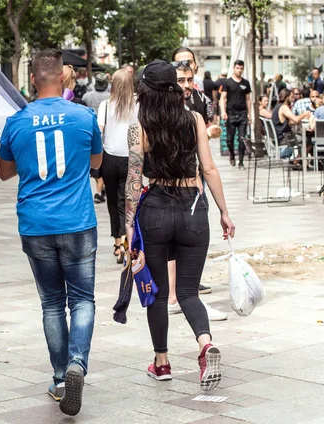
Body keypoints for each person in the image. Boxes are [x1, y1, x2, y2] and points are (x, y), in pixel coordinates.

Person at [0, 49, 102, 416]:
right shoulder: (84, 116)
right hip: (77, 221)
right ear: (63, 79)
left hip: (36, 223)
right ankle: (78, 364)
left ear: (32, 81)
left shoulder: (16, 122)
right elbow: (96, 162)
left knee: (52, 303)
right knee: (83, 300)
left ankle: (60, 378)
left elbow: (4, 172)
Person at [124, 60, 235, 391]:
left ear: (144, 90)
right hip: (192, 209)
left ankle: (162, 363)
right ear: (175, 87)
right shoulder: (195, 119)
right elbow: (210, 169)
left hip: (155, 209)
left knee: (157, 294)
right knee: (187, 291)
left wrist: (128, 225)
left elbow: (132, 179)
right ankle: (204, 344)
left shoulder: (138, 126)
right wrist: (224, 212)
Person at [170, 64, 227, 322]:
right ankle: (184, 302)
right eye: (180, 79)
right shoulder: (187, 116)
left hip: (180, 195)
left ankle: (162, 358)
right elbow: (209, 166)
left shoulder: (193, 109)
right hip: (180, 197)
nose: (185, 84)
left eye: (189, 79)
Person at [96, 69, 137, 263]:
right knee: (128, 202)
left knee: (112, 202)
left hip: (109, 158)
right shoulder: (136, 105)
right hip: (130, 158)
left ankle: (117, 241)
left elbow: (99, 131)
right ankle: (127, 242)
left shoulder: (105, 105)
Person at [83, 73, 110, 205]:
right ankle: (100, 189)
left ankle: (99, 189)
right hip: (106, 133)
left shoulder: (87, 96)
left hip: (90, 132)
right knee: (101, 163)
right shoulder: (110, 97)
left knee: (95, 164)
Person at [220, 60, 251, 170]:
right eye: (237, 68)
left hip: (242, 114)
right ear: (233, 68)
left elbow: (248, 99)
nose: (239, 70)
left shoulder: (246, 83)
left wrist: (250, 114)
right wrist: (223, 111)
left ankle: (241, 162)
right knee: (229, 139)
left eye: (241, 68)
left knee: (242, 139)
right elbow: (222, 98)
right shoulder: (227, 82)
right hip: (231, 114)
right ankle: (232, 155)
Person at [272, 89, 311, 161]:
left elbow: (289, 122)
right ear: (287, 97)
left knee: (306, 137)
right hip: (284, 137)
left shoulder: (277, 106)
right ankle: (297, 161)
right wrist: (304, 114)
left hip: (280, 136)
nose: (293, 99)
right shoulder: (284, 107)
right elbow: (296, 119)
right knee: (307, 139)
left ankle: (299, 161)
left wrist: (300, 118)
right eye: (292, 97)